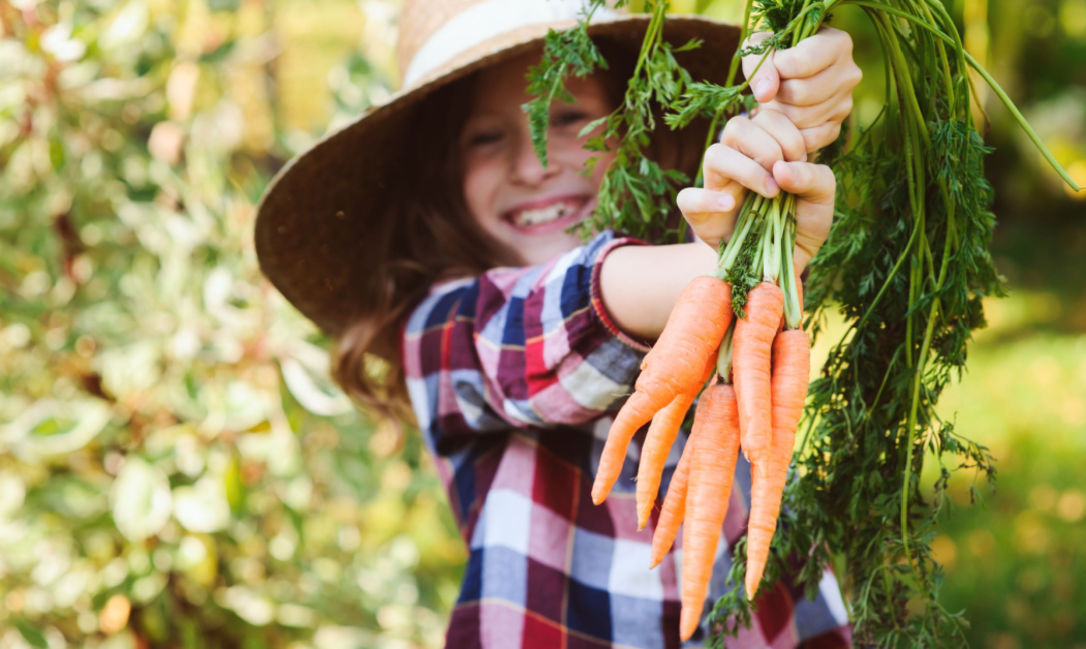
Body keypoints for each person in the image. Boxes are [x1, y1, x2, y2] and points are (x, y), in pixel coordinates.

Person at [255, 0, 862, 646]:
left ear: (638, 130)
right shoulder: (443, 332)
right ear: (441, 175)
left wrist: (791, 109)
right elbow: (560, 315)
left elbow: (730, 237)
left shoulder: (689, 253)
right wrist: (717, 266)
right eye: (487, 138)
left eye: (569, 117)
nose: (533, 162)